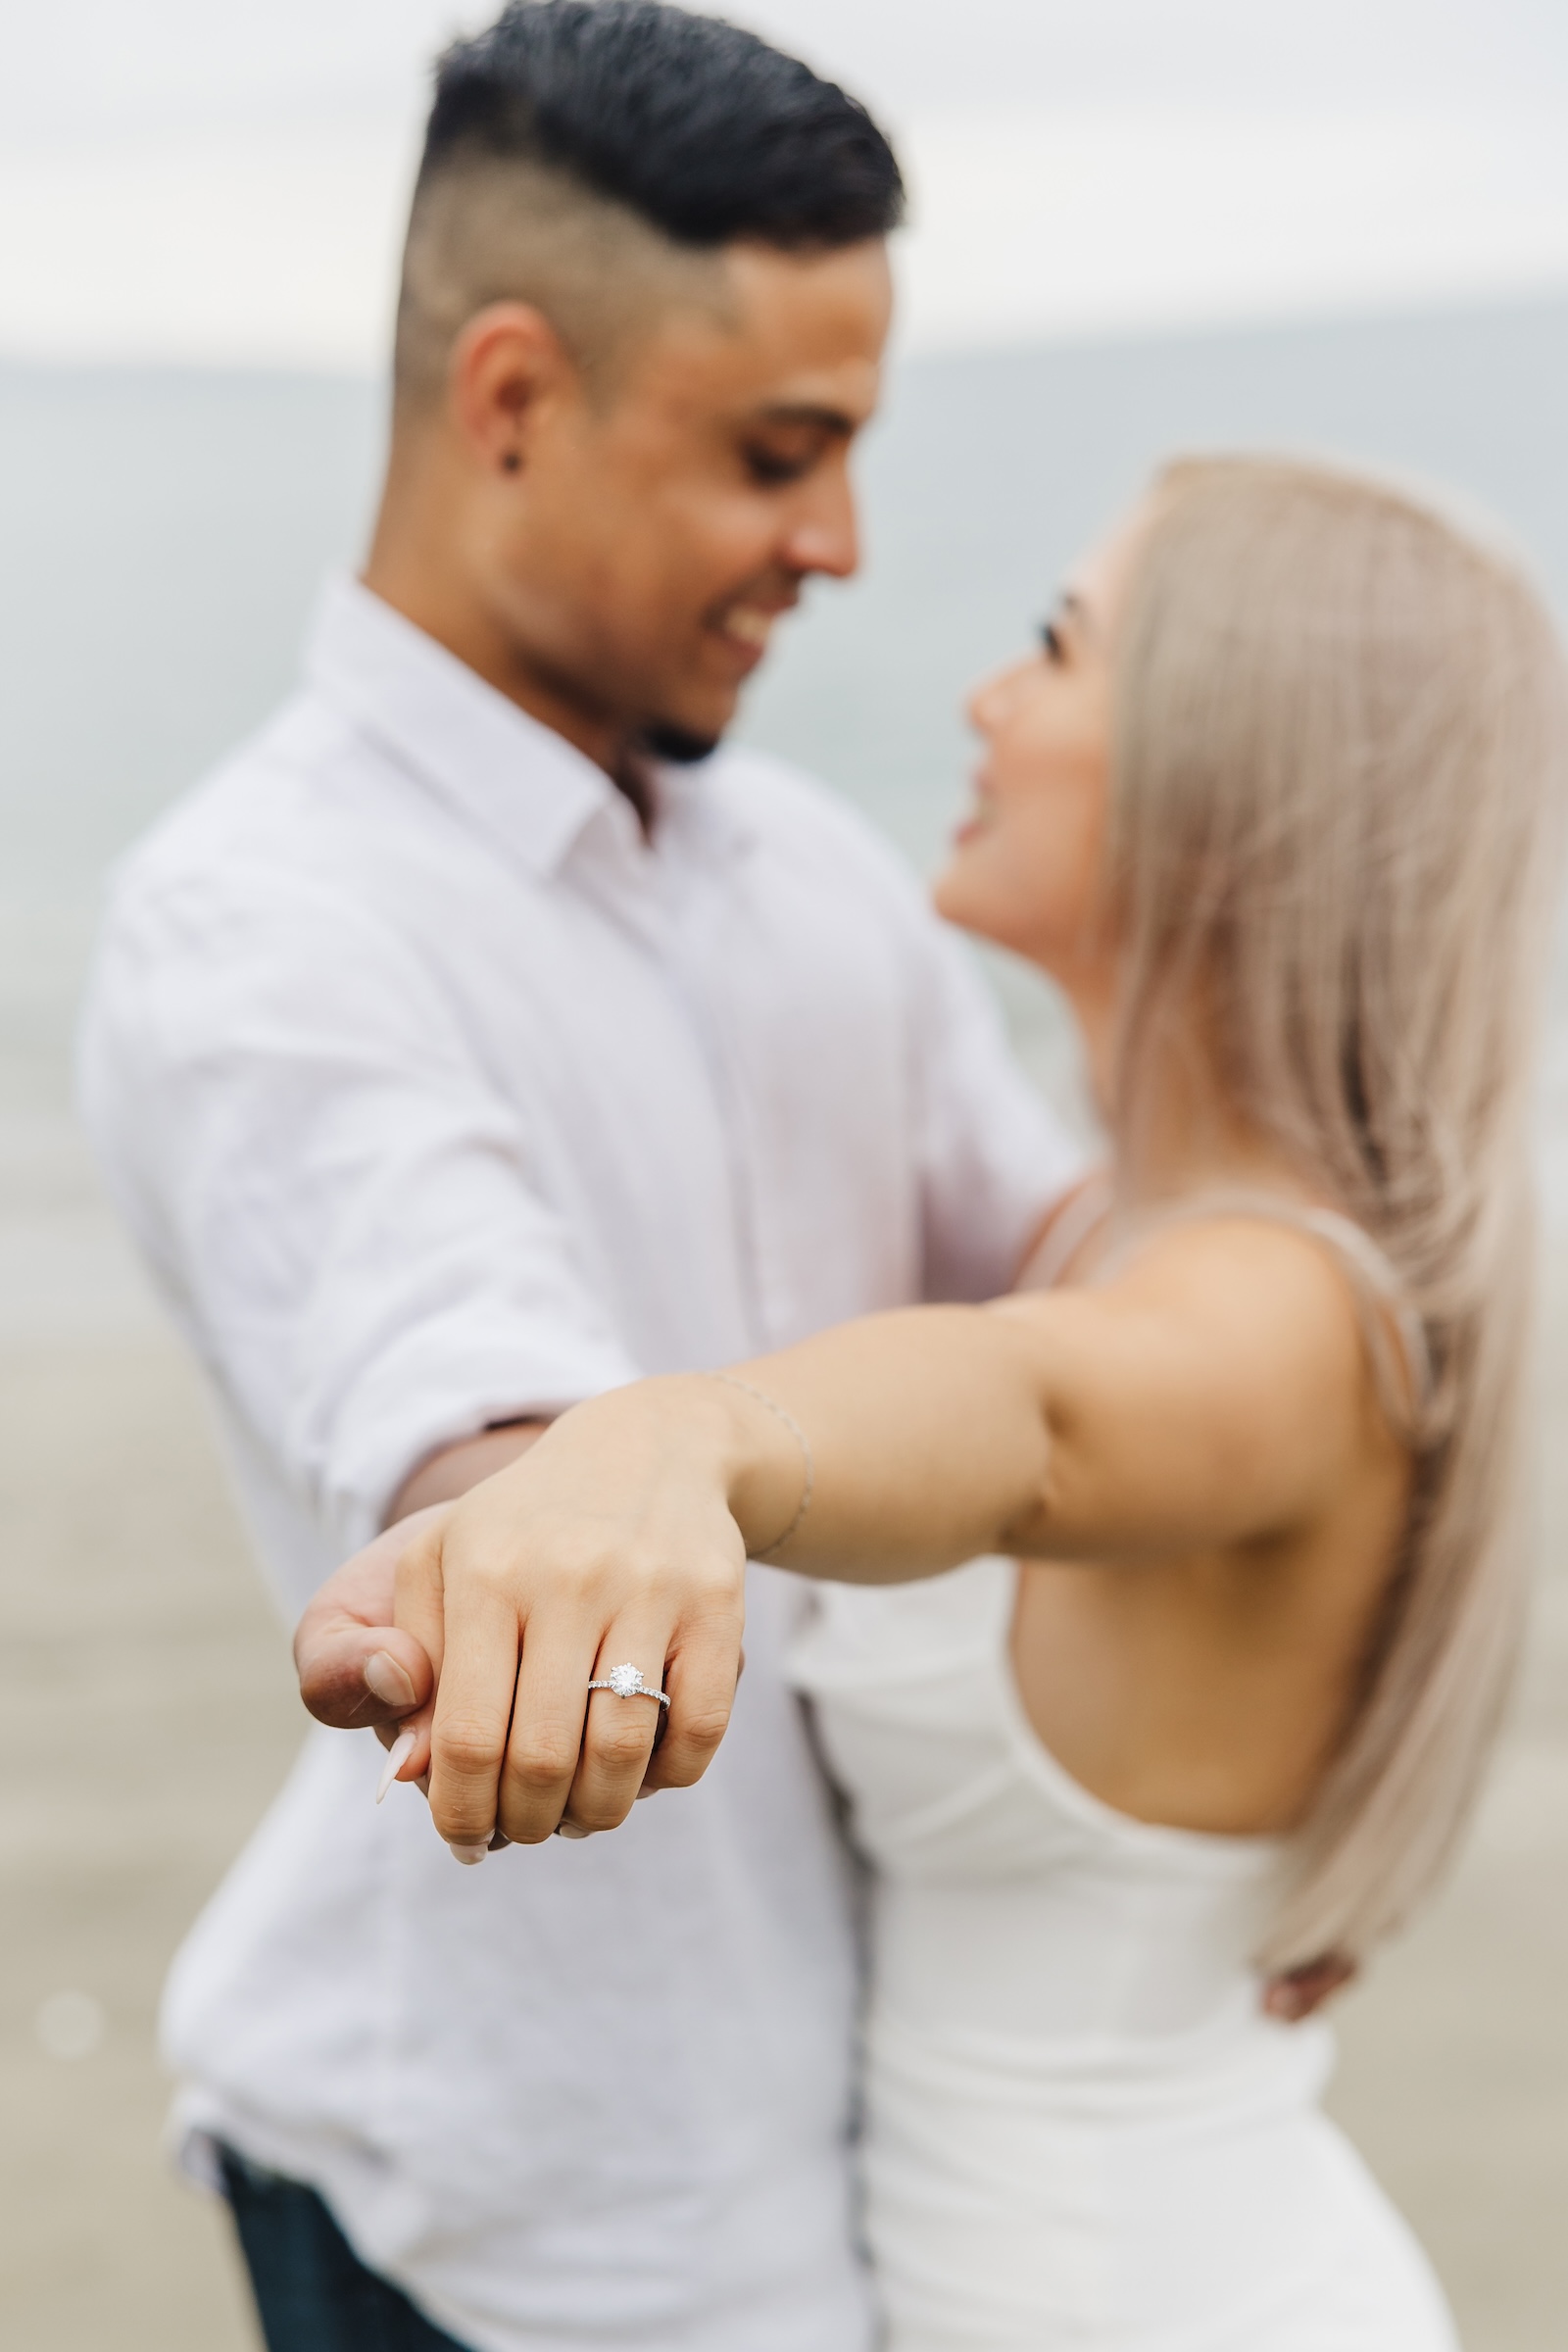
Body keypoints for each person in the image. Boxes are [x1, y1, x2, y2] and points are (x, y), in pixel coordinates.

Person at [77, 6, 1084, 2348]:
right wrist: (547, 1534)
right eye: (773, 454)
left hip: (863, 2129)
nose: (834, 546)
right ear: (511, 397)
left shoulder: (817, 872)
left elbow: (1065, 1296)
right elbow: (466, 1397)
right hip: (500, 2227)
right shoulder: (259, 923)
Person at [376, 457, 1568, 2347]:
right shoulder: (1113, 1223)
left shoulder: (1279, 1316)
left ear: (1234, 785)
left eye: (1059, 647)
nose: (984, 696)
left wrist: (687, 1440)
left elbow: (1026, 1419)